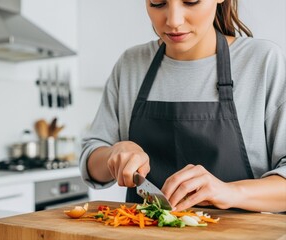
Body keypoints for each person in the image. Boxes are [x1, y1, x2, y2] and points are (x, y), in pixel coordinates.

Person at [79, 0, 286, 213]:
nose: (173, 20)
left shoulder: (262, 61)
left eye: (191, 1)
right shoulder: (131, 64)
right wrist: (114, 154)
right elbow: (91, 159)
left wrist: (229, 192)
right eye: (158, 3)